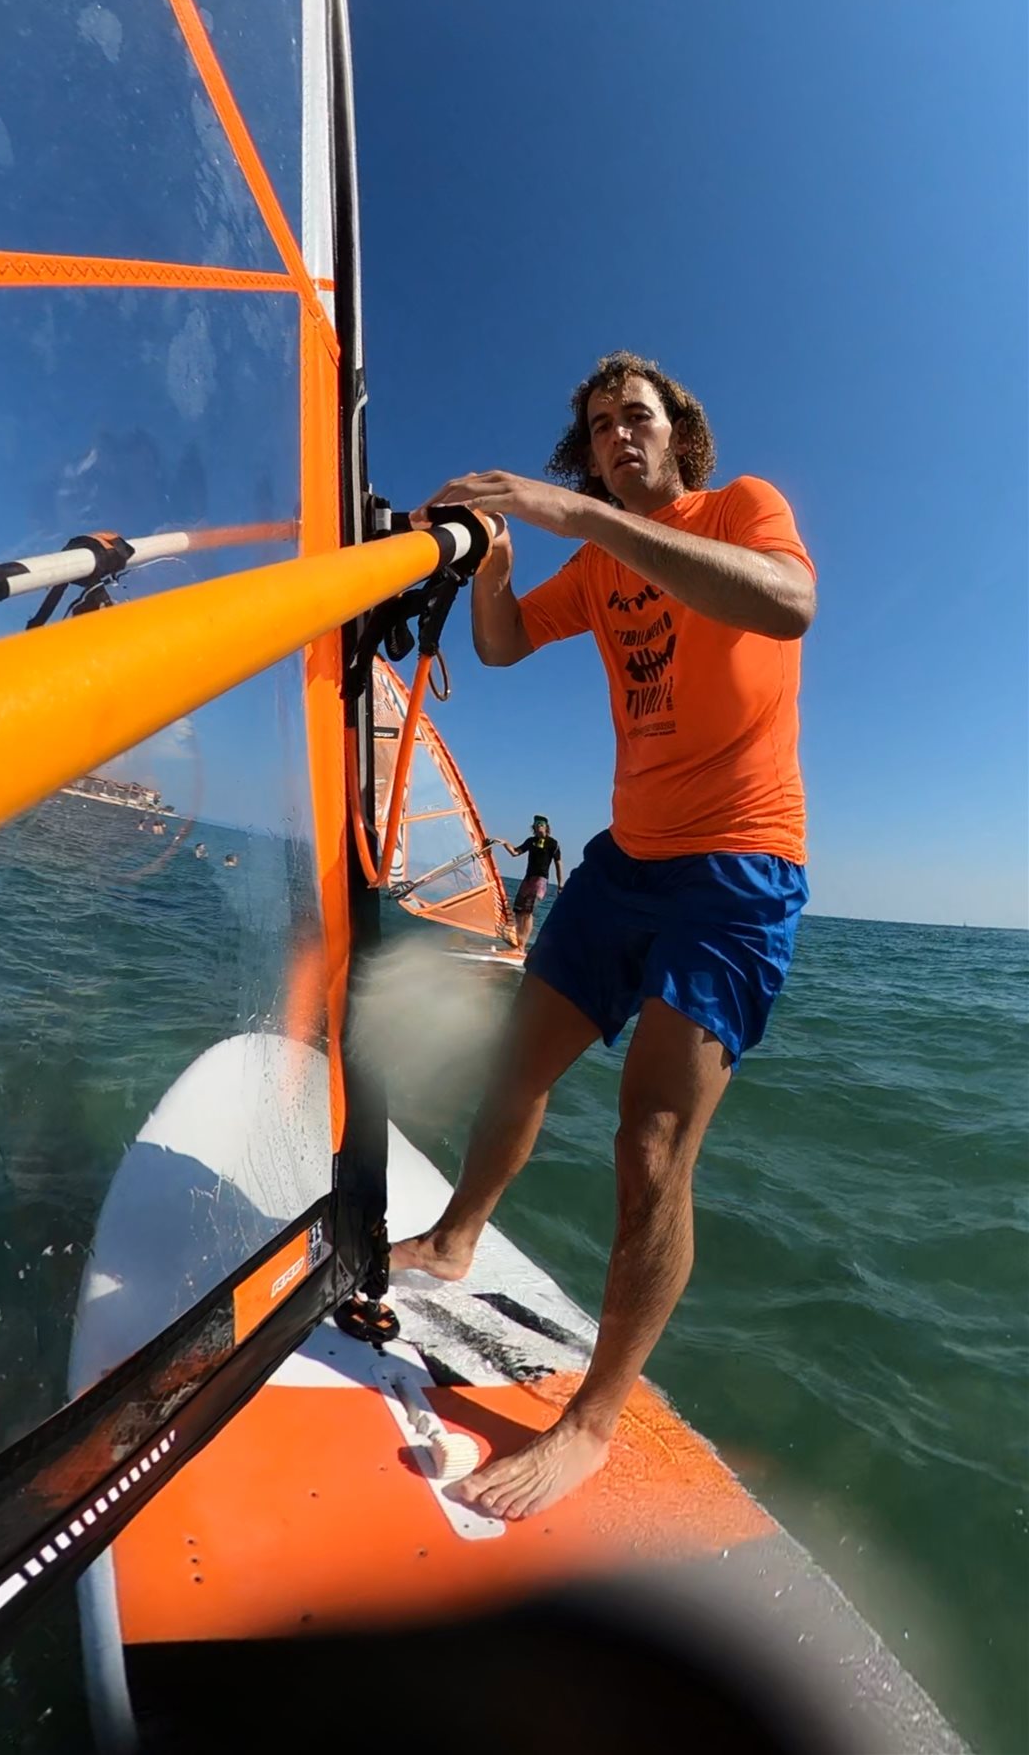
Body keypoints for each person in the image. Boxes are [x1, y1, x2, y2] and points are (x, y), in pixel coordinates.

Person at [392, 351, 815, 1521]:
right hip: (625, 862)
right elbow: (501, 646)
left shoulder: (742, 508)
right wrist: (497, 567)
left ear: (679, 433)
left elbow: (787, 603)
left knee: (651, 1146)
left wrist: (578, 515)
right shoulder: (594, 564)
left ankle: (590, 1422)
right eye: (597, 428)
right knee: (516, 1067)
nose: (616, 438)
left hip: (739, 867)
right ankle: (455, 1239)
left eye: (636, 418)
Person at [500, 816, 564, 950]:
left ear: (546, 827)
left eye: (541, 824)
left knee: (528, 912)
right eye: (536, 824)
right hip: (528, 879)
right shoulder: (531, 841)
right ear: (533, 827)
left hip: (540, 881)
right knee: (518, 911)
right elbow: (515, 852)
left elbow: (558, 863)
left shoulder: (553, 843)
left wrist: (560, 884)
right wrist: (504, 842)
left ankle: (522, 945)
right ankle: (517, 942)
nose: (539, 826)